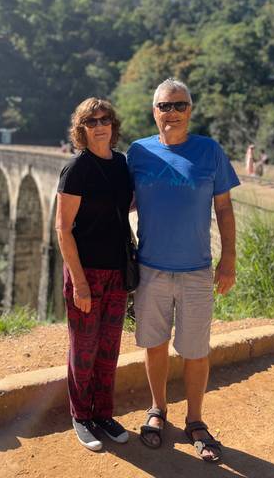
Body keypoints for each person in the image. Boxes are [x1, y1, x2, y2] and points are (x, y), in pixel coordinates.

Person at [127, 78, 240, 463]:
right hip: (150, 270)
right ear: (153, 112)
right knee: (154, 344)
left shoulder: (209, 151)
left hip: (196, 271)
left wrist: (229, 260)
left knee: (195, 351)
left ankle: (195, 420)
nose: (171, 112)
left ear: (190, 110)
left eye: (179, 105)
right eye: (164, 106)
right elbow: (117, 202)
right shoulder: (138, 152)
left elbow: (223, 209)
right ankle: (158, 409)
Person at [55, 97, 133, 452]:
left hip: (116, 273)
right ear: (82, 129)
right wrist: (80, 283)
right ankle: (80, 416)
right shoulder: (76, 170)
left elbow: (127, 204)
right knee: (83, 349)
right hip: (85, 274)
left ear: (113, 125)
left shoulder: (122, 165)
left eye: (104, 119)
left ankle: (103, 413)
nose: (99, 125)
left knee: (108, 349)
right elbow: (63, 230)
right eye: (91, 121)